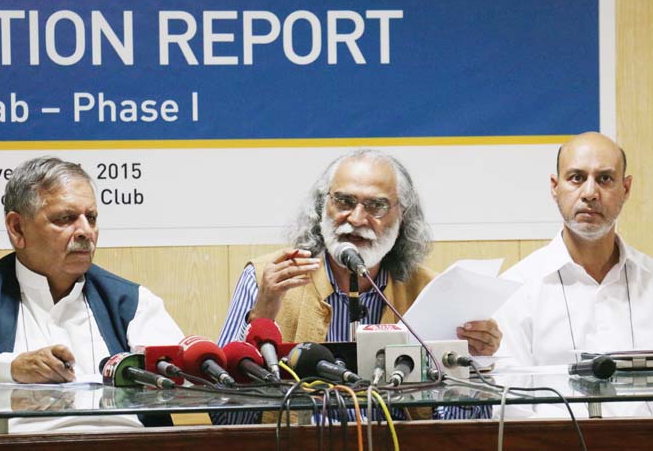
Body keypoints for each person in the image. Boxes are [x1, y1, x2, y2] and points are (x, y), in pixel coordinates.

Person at [215, 149, 502, 423]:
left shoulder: (430, 291)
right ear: (321, 206)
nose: (356, 219)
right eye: (344, 201)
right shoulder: (268, 278)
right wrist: (264, 313)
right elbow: (224, 415)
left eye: (376, 205)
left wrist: (475, 364)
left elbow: (461, 429)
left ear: (402, 216)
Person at [0, 156, 184, 433]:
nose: (85, 232)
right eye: (65, 219)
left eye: (91, 218)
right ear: (17, 228)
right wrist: (14, 367)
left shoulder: (132, 300)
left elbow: (182, 373)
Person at [494, 132, 653, 417]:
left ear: (626, 189)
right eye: (576, 177)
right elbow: (510, 408)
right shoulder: (515, 289)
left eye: (605, 179)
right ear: (555, 187)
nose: (590, 193)